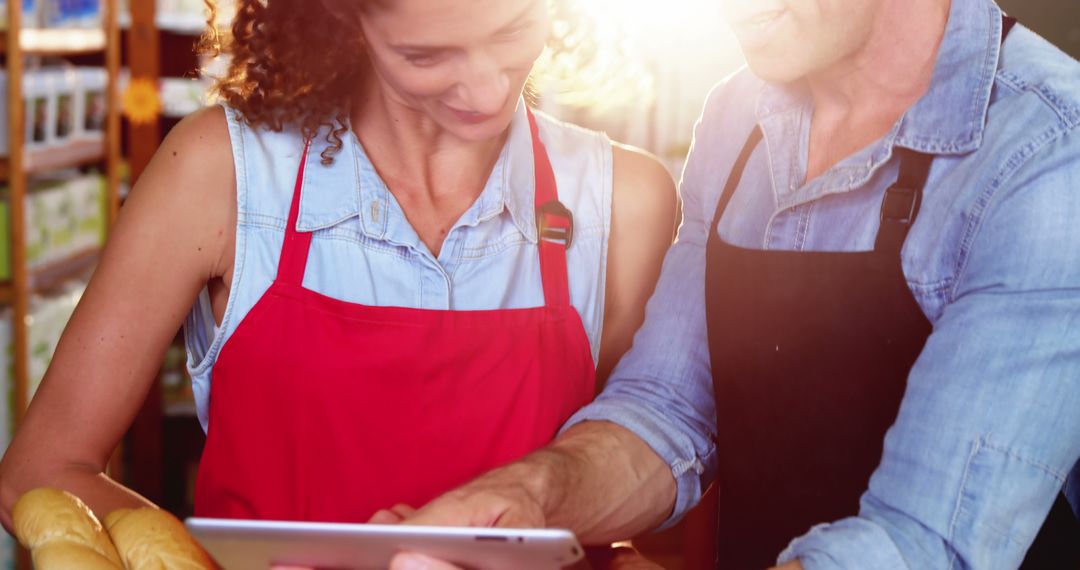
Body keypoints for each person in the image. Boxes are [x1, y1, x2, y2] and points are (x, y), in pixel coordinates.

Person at [390, 0, 1080, 568]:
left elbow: (925, 545)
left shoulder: (1047, 151)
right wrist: (527, 501)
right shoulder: (740, 116)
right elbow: (666, 409)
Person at [0, 0, 677, 530]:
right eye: (426, 53)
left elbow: (634, 461)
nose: (485, 87)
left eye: (512, 29)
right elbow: (40, 471)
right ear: (342, 18)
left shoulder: (626, 204)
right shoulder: (220, 174)